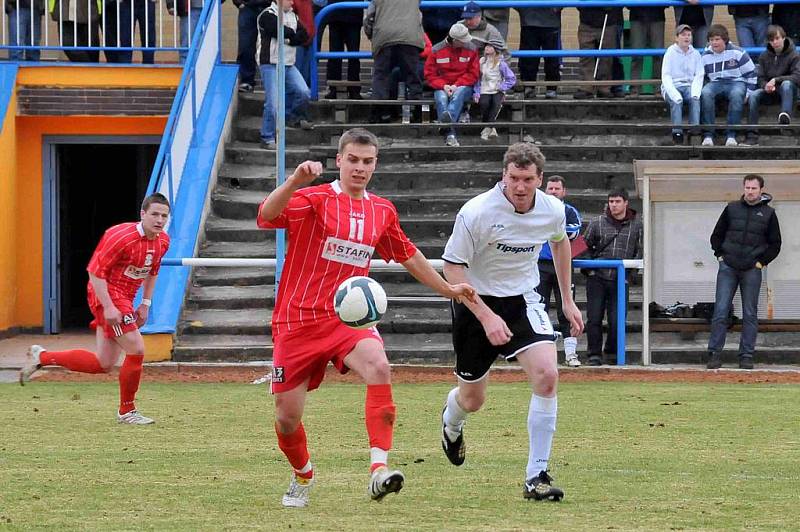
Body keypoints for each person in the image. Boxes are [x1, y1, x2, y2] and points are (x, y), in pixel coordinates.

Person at [256, 128, 476, 508]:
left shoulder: (381, 210)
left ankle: (379, 470)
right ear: (339, 160)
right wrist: (294, 180)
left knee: (379, 367)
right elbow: (266, 215)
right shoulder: (313, 198)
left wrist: (447, 289)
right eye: (353, 160)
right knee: (286, 419)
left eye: (368, 161)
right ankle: (303, 474)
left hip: (348, 321)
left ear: (375, 164)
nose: (360, 168)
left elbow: (408, 254)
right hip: (296, 321)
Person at [439, 142, 583, 502]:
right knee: (473, 400)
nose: (520, 187)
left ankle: (537, 476)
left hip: (522, 300)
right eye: (514, 178)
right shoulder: (477, 212)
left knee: (548, 376)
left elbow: (560, 243)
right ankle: (451, 422)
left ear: (540, 179)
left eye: (528, 180)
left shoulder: (552, 209)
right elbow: (452, 267)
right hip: (475, 303)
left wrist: (567, 301)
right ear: (504, 175)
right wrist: (485, 315)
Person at [19, 194, 171, 425]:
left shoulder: (162, 241)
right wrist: (109, 307)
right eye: (155, 214)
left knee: (103, 363)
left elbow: (152, 272)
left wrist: (145, 304)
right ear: (142, 214)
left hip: (126, 298)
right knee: (137, 347)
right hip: (106, 294)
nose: (159, 220)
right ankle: (127, 412)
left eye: (164, 216)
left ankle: (41, 356)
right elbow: (94, 271)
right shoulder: (119, 235)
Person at [707, 175, 782, 370]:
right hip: (728, 266)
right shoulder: (731, 208)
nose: (750, 191)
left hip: (752, 269)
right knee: (721, 311)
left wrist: (761, 263)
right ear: (743, 188)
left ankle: (746, 356)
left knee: (750, 313)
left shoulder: (769, 213)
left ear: (761, 190)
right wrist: (720, 256)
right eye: (747, 187)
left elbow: (776, 244)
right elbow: (716, 235)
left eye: (753, 188)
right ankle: (714, 354)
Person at [582, 188, 642, 366]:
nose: (613, 205)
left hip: (620, 278)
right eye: (611, 201)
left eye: (617, 201)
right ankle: (594, 354)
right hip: (597, 277)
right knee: (594, 318)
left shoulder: (637, 225)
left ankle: (611, 352)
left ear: (626, 203)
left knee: (617, 320)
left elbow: (639, 251)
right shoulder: (597, 222)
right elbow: (582, 247)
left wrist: (629, 276)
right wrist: (590, 271)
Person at [537, 176, 582, 367]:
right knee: (540, 308)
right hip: (540, 265)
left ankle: (571, 353)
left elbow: (574, 232)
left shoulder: (569, 211)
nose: (553, 192)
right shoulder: (537, 209)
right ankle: (545, 355)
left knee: (567, 310)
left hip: (563, 264)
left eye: (557, 189)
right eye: (550, 188)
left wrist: (552, 228)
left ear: (563, 191)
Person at [257, 0, 312, 150]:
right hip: (270, 63)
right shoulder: (267, 15)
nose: (293, 2)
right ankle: (267, 136)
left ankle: (291, 117)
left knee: (304, 92)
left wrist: (289, 37)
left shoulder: (294, 17)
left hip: (288, 63)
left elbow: (304, 35)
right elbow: (277, 30)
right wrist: (292, 37)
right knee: (273, 103)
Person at [363, 0, 425, 121]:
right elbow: (419, 16)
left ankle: (378, 114)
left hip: (384, 36)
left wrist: (372, 35)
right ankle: (418, 113)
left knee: (381, 76)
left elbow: (369, 18)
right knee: (412, 75)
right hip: (409, 36)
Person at [700, 24, 757, 147]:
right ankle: (708, 135)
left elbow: (751, 73)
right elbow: (701, 77)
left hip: (736, 82)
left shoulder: (738, 52)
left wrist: (749, 93)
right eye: (711, 40)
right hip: (715, 83)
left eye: (717, 39)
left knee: (737, 94)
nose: (714, 43)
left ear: (724, 39)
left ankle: (731, 135)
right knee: (705, 93)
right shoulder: (705, 56)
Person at [424, 23, 479, 147]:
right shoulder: (436, 50)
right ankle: (450, 135)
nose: (466, 42)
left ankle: (445, 126)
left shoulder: (472, 49)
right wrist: (444, 86)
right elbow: (430, 74)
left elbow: (473, 73)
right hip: (443, 86)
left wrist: (456, 85)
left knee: (456, 94)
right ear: (454, 40)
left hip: (462, 85)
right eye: (463, 40)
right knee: (442, 98)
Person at [746, 25, 800, 144]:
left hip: (789, 91)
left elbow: (797, 77)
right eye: (771, 40)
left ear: (784, 38)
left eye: (777, 38)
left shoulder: (794, 55)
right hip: (770, 90)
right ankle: (751, 134)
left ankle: (785, 115)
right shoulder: (764, 56)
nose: (775, 42)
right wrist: (765, 85)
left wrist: (776, 80)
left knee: (787, 84)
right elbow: (760, 78)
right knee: (754, 95)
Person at [661, 24, 704, 145]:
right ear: (676, 38)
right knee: (676, 101)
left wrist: (695, 93)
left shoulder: (695, 54)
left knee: (695, 99)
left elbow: (699, 75)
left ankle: (694, 131)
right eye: (683, 35)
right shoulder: (670, 52)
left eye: (689, 35)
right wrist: (674, 93)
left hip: (689, 85)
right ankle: (677, 132)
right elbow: (666, 75)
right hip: (672, 85)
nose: (686, 37)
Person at [574, 7, 623, 99]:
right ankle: (586, 87)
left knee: (606, 58)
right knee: (586, 57)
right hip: (587, 21)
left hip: (608, 20)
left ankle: (604, 87)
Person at [516, 3, 562, 99]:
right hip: (528, 21)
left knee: (552, 58)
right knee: (528, 58)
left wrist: (557, 7)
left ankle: (551, 87)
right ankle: (528, 86)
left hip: (551, 22)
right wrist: (523, 9)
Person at [473, 38, 516, 141]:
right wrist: (476, 92)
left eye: (490, 46)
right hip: (484, 89)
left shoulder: (501, 63)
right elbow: (477, 79)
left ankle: (486, 129)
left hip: (497, 89)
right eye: (486, 46)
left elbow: (511, 78)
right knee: (484, 103)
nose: (487, 48)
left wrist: (502, 87)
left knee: (496, 104)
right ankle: (491, 127)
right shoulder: (481, 62)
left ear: (495, 49)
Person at [322, 0, 364, 100]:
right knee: (336, 55)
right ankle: (334, 88)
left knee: (352, 55)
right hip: (338, 15)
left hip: (349, 14)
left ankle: (352, 89)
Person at [627, 4, 665, 98]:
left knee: (658, 55)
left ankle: (659, 88)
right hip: (637, 16)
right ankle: (634, 89)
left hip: (657, 16)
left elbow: (666, 4)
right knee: (636, 55)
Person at [234, 0, 269, 93]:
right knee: (246, 46)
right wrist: (238, 2)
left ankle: (273, 83)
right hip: (248, 7)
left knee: (271, 46)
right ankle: (247, 81)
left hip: (269, 7)